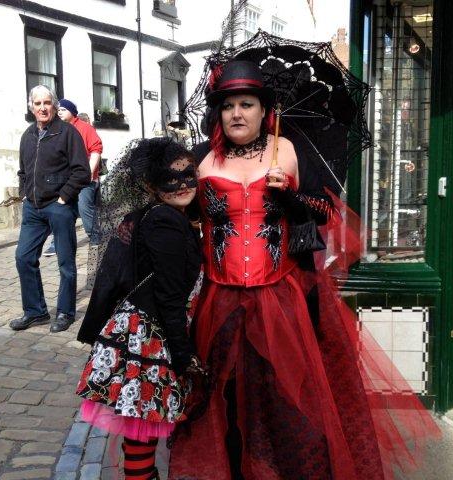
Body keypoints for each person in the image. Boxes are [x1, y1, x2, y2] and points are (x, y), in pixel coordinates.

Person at [168, 60, 439, 479]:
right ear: (218, 113)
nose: (237, 113)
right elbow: (179, 216)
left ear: (264, 111)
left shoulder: (288, 150)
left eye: (247, 104)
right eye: (228, 106)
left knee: (286, 400)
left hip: (279, 301)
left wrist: (293, 197)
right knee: (224, 400)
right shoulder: (202, 158)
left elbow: (326, 210)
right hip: (219, 302)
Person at [75, 137, 204, 480]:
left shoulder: (159, 215)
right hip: (151, 336)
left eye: (188, 174)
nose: (182, 184)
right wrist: (182, 352)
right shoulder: (165, 222)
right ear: (151, 185)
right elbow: (168, 296)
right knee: (141, 428)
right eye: (169, 179)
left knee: (138, 429)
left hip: (146, 330)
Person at [10, 85, 90, 333]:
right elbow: (23, 171)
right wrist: (25, 195)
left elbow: (82, 171)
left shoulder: (68, 133)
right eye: (37, 104)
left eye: (47, 103)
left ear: (54, 106)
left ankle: (65, 312)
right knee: (24, 258)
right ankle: (35, 312)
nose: (43, 108)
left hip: (59, 207)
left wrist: (64, 198)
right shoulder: (27, 135)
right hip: (33, 209)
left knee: (65, 263)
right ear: (31, 107)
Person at [44, 99, 103, 256]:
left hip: (85, 179)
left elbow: (96, 150)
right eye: (58, 109)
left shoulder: (85, 128)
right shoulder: (55, 129)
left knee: (84, 208)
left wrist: (88, 173)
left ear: (73, 112)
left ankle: (96, 237)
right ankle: (57, 243)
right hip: (63, 179)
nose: (60, 111)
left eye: (63, 109)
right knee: (59, 209)